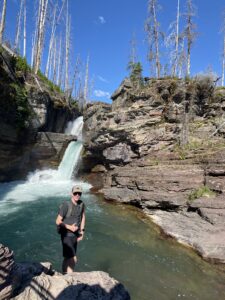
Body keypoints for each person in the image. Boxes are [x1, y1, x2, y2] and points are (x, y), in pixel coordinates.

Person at [56, 186, 85, 274]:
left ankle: (64, 274)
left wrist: (82, 231)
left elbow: (83, 216)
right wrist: (70, 227)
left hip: (75, 235)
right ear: (71, 193)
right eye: (75, 193)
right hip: (66, 235)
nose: (77, 195)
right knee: (73, 258)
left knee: (67, 257)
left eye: (79, 193)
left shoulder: (81, 204)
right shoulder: (66, 205)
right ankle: (69, 278)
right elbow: (57, 221)